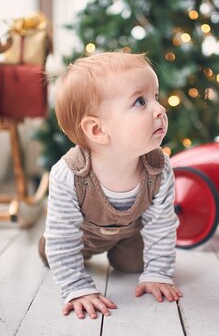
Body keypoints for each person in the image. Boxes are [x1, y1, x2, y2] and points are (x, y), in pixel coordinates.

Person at [39, 52, 182, 319]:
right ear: (98, 131)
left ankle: (124, 252)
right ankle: (54, 254)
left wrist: (157, 273)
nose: (160, 109)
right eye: (141, 101)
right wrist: (77, 288)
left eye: (156, 97)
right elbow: (64, 236)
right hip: (82, 236)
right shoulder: (69, 174)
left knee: (131, 266)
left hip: (129, 233)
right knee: (54, 250)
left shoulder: (159, 169)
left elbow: (161, 224)